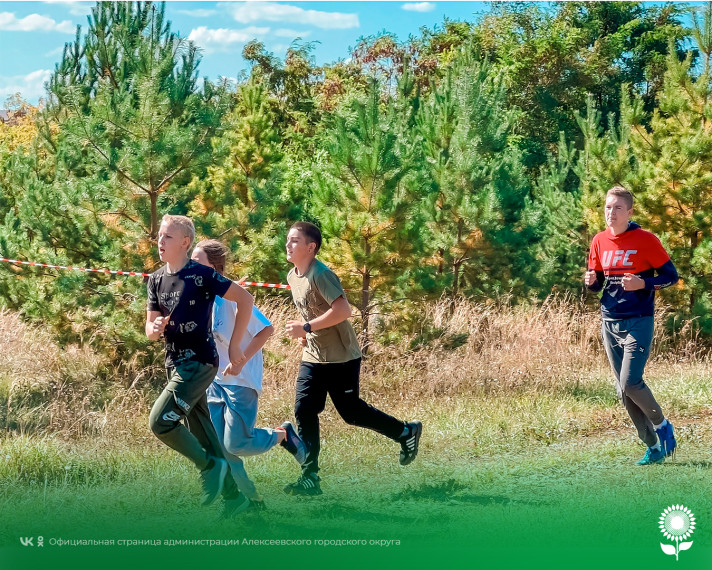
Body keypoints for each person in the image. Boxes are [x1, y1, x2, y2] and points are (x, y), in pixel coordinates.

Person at [283, 221, 422, 496]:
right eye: (288, 240)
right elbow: (310, 310)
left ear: (311, 247)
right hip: (313, 355)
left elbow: (343, 310)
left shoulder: (321, 274)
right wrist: (304, 332)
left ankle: (406, 432)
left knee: (351, 413)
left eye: (294, 241)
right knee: (304, 410)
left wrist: (308, 327)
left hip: (341, 357)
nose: (288, 245)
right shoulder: (292, 276)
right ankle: (310, 477)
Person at [146, 214, 254, 517]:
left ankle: (210, 467)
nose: (160, 241)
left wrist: (235, 346)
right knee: (203, 431)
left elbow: (245, 299)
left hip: (200, 361)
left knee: (161, 422)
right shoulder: (155, 279)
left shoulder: (201, 275)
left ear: (185, 242)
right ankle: (235, 500)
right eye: (159, 236)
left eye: (167, 236)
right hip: (174, 362)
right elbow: (149, 328)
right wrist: (154, 329)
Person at [191, 239, 306, 510]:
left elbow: (266, 329)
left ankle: (283, 435)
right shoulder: (199, 299)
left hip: (240, 381)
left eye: (197, 262)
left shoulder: (230, 297)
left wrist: (241, 362)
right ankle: (251, 501)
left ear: (214, 268)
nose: (191, 267)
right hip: (214, 383)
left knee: (237, 443)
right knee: (222, 449)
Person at [585, 186, 679, 465]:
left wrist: (644, 283)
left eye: (616, 208)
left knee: (630, 381)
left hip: (639, 319)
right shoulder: (599, 241)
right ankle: (652, 445)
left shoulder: (645, 240)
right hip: (609, 320)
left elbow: (671, 276)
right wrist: (592, 283)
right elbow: (599, 283)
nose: (610, 213)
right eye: (607, 207)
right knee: (622, 390)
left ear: (629, 212)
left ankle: (662, 426)